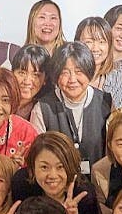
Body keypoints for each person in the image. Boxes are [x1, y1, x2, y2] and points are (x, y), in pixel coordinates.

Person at [11, 132, 102, 214]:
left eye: (60, 167)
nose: (52, 175)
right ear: (32, 168)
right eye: (44, 167)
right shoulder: (23, 185)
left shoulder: (83, 195)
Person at [30, 42, 113, 173]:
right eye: (65, 72)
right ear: (56, 75)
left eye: (79, 72)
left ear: (89, 72)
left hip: (99, 181)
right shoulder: (43, 107)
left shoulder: (106, 102)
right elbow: (38, 156)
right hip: (57, 181)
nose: (72, 79)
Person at [75, 15, 122, 109]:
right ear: (77, 44)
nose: (95, 48)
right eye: (89, 42)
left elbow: (120, 115)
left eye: (101, 42)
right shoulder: (68, 77)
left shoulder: (119, 79)